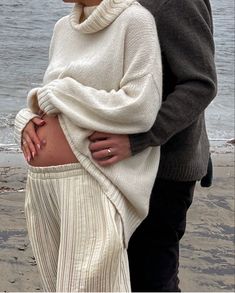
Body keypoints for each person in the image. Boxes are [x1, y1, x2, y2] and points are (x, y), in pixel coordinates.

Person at [14, 0, 162, 291]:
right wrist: (26, 120)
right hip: (43, 186)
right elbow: (51, 102)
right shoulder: (62, 28)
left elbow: (141, 106)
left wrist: (62, 94)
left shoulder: (135, 20)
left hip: (90, 181)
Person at [88, 0, 217, 291]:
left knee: (151, 280)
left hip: (165, 169)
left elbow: (201, 83)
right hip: (123, 166)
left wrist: (140, 139)